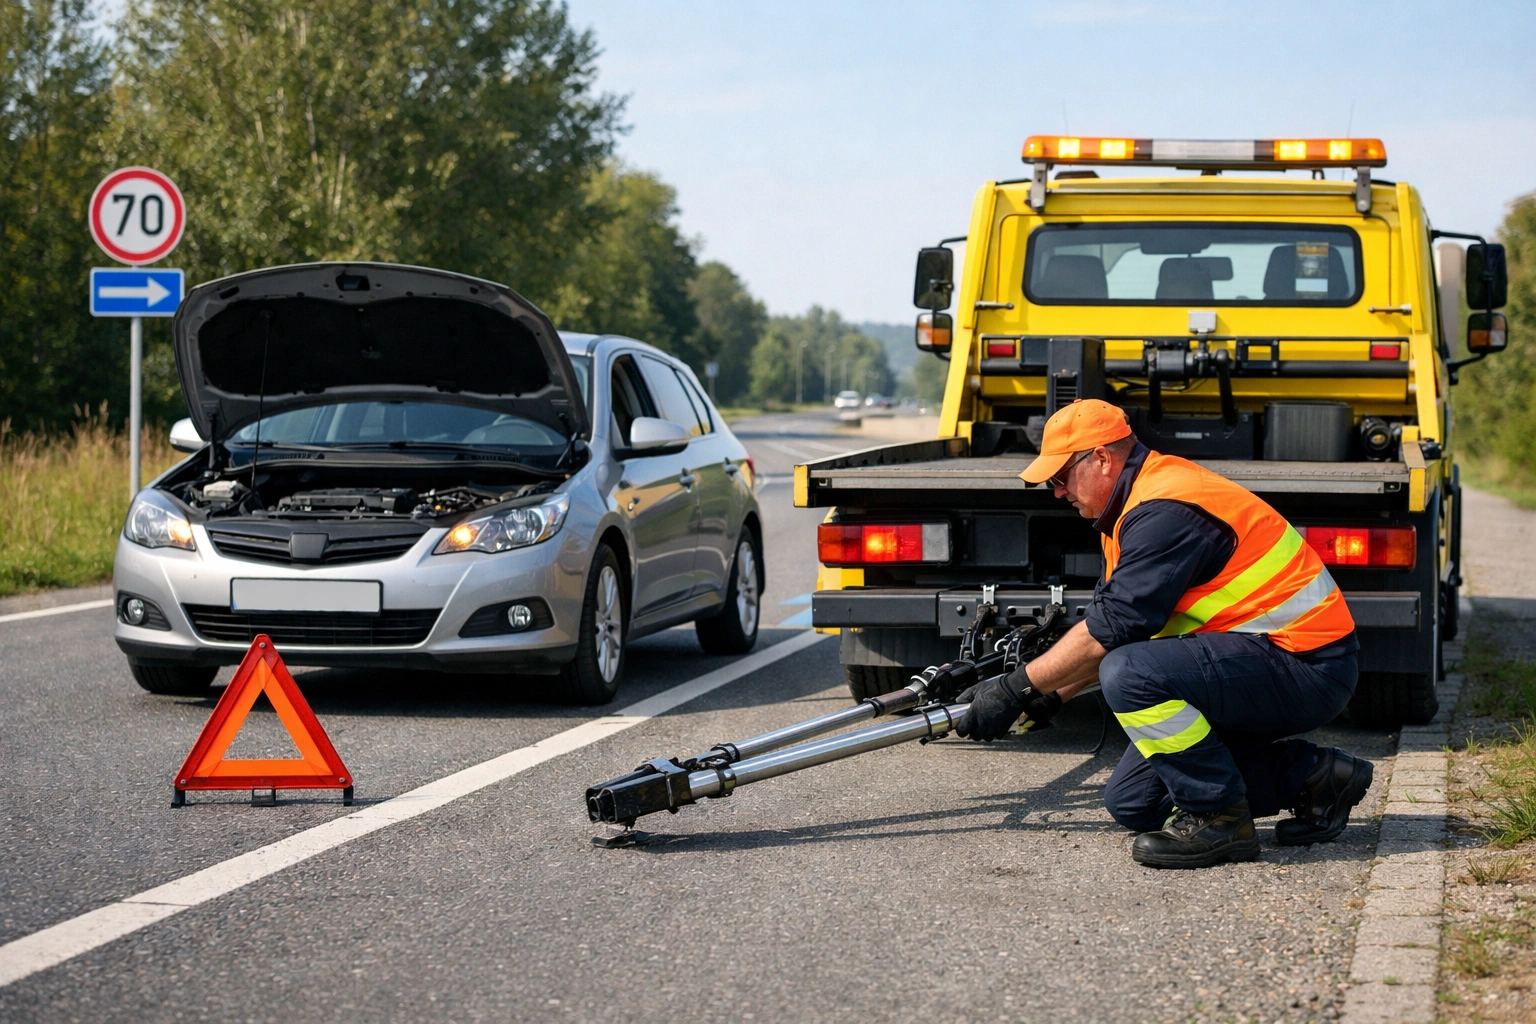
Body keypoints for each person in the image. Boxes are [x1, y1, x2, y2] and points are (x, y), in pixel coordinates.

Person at [955, 399, 1374, 869]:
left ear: (1101, 458)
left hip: (1306, 666)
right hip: (1254, 661)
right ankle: (1313, 777)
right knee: (1136, 803)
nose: (1057, 492)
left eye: (1059, 477)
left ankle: (1221, 820)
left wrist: (1017, 688)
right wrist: (1048, 695)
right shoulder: (1128, 511)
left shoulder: (1166, 509)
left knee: (1129, 674)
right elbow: (1117, 630)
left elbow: (1111, 633)